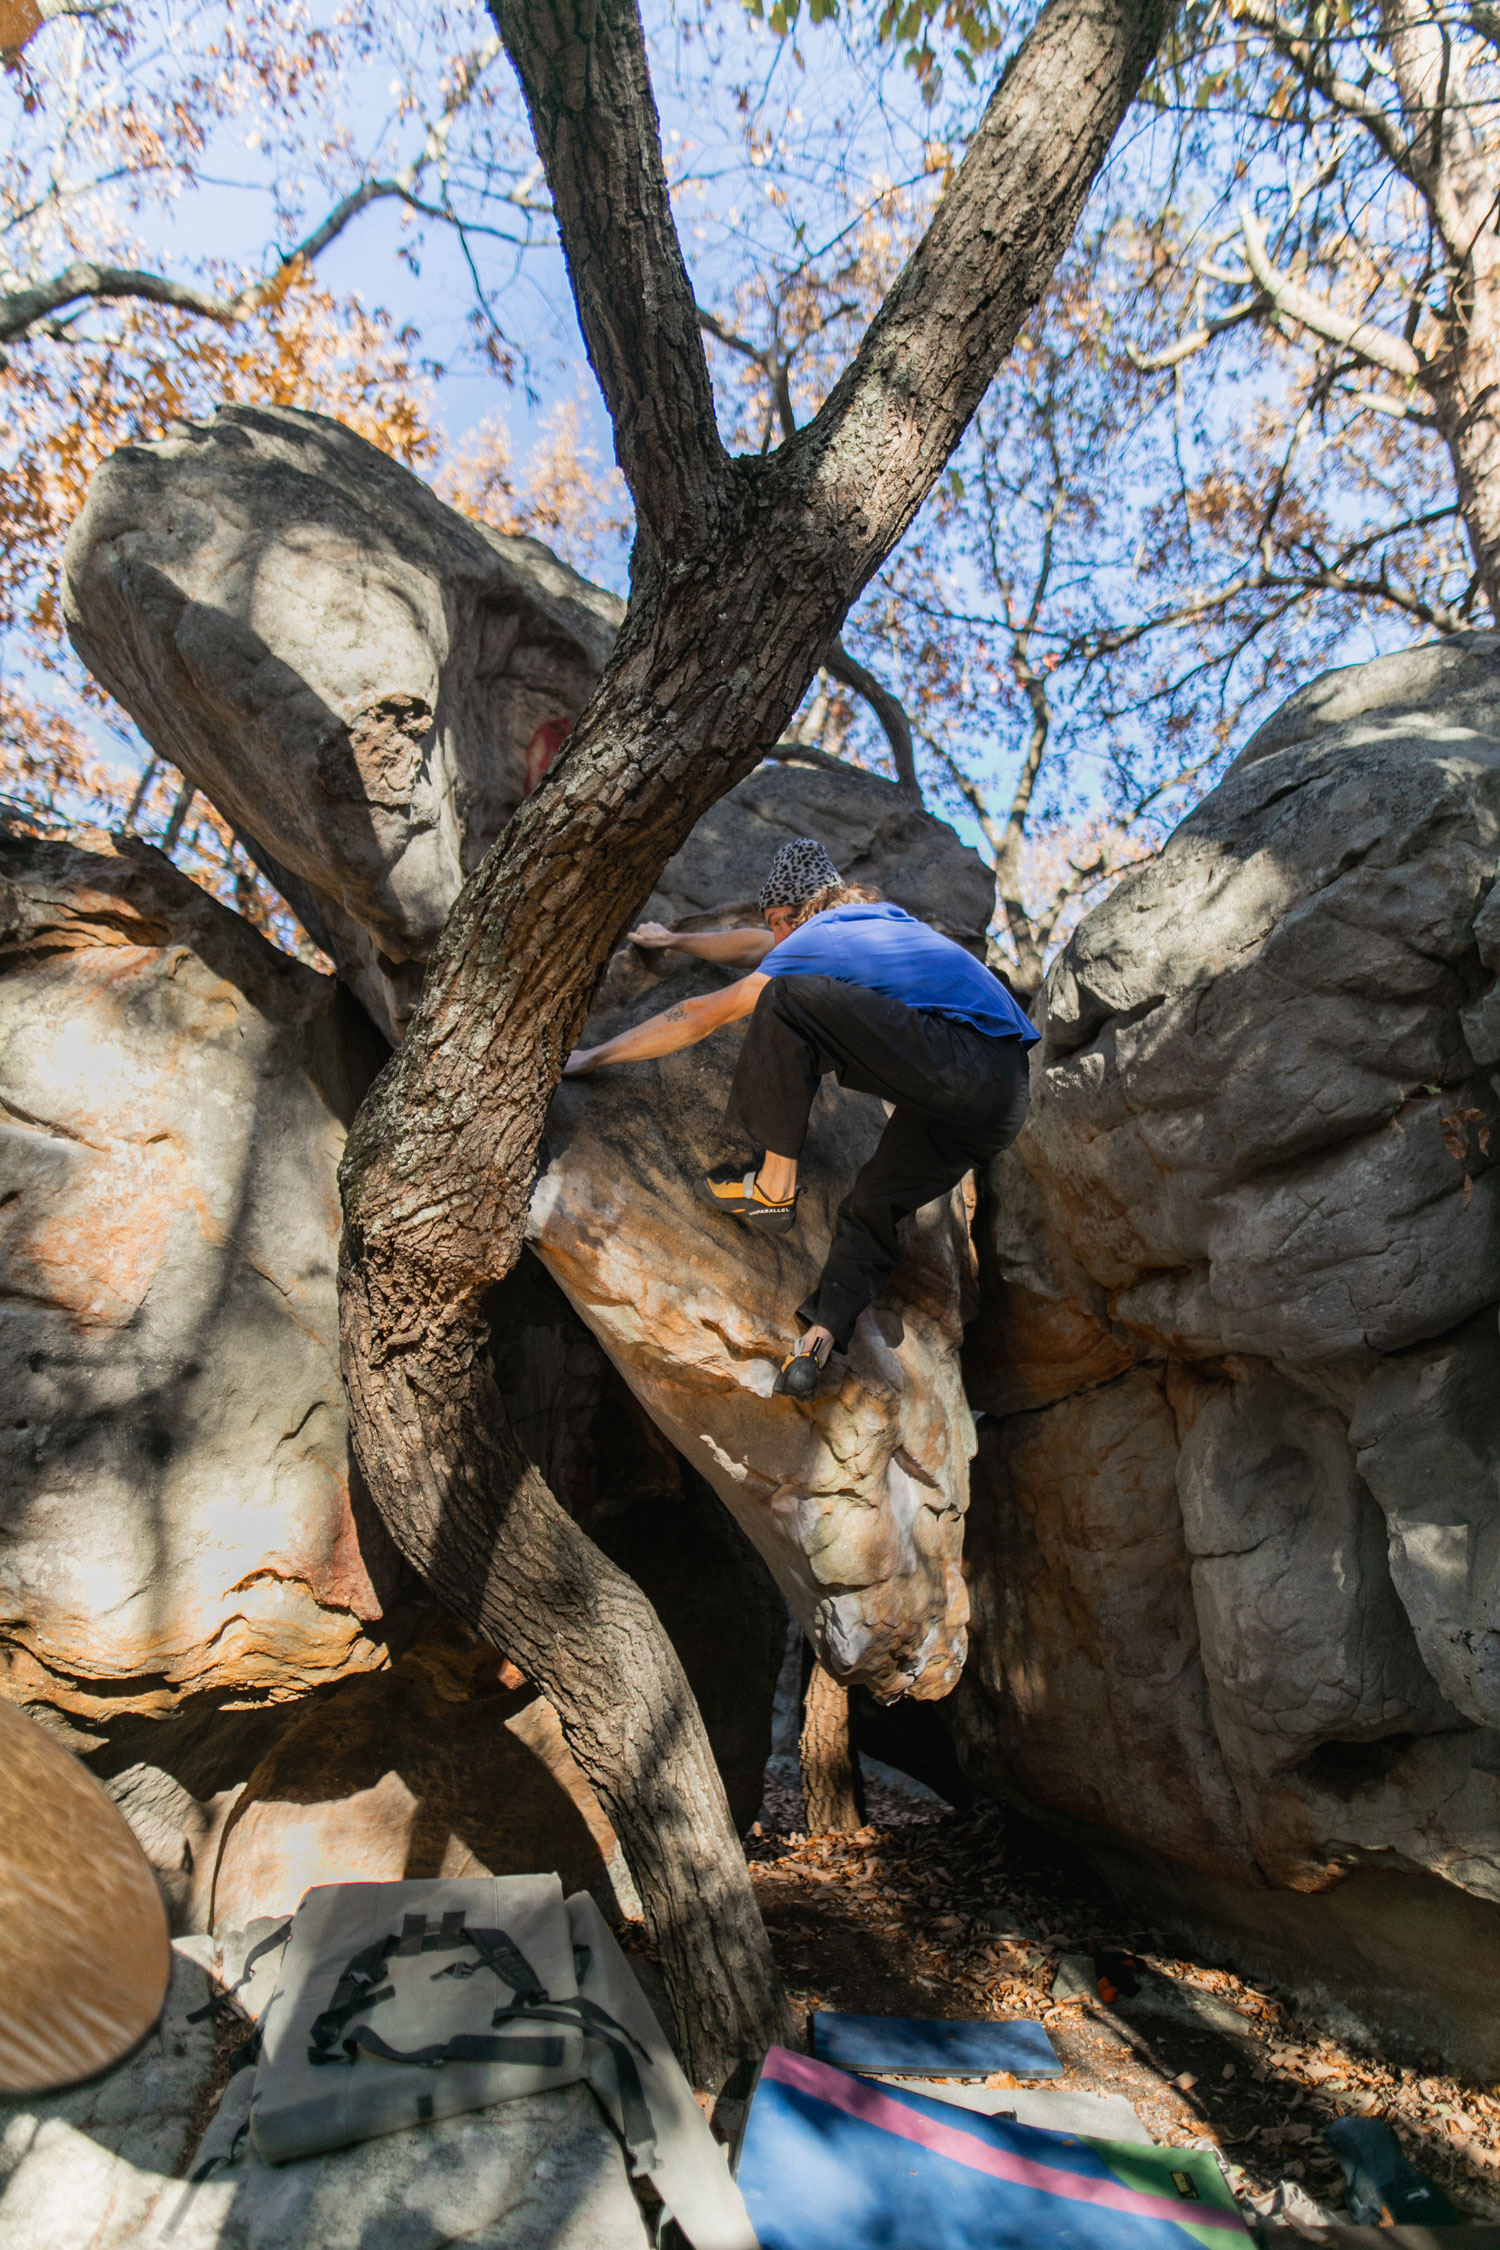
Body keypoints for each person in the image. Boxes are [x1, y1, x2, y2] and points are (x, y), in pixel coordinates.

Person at [563, 838, 1038, 1397]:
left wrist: (592, 1055)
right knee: (874, 1203)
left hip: (962, 1058)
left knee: (784, 998)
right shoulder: (869, 928)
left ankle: (773, 1186)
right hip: (1000, 1096)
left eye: (777, 924)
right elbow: (758, 947)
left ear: (798, 913)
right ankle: (818, 1341)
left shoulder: (827, 936)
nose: (775, 940)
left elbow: (707, 1012)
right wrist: (675, 941)